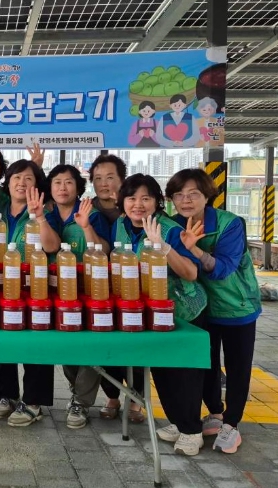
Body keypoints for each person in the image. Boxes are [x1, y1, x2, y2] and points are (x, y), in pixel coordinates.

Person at [167, 168, 261, 454]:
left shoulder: (229, 224)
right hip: (200, 308)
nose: (186, 200)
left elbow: (223, 269)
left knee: (237, 366)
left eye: (193, 194)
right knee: (205, 363)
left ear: (207, 196)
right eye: (179, 195)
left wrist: (194, 249)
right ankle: (215, 413)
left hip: (236, 307)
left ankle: (232, 423)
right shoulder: (173, 224)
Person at [114, 173, 208, 456]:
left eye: (146, 198)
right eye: (131, 198)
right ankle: (178, 422)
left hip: (183, 310)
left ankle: (192, 430)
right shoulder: (121, 225)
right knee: (161, 369)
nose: (138, 204)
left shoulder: (168, 229)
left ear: (157, 202)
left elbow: (191, 273)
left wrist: (163, 247)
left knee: (182, 373)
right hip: (151, 311)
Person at [0, 159, 60, 427]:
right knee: (3, 339)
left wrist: (39, 217)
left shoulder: (44, 211)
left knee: (36, 340)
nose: (21, 183)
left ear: (36, 185)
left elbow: (52, 247)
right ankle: (7, 394)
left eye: (28, 178)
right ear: (8, 183)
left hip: (35, 285)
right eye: (16, 178)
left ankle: (33, 401)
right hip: (2, 284)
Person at [45, 164, 110, 430]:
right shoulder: (47, 215)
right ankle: (76, 391)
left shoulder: (92, 214)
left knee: (90, 346)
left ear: (78, 187)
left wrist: (86, 227)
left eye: (69, 182)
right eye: (57, 182)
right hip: (58, 291)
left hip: (90, 290)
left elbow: (104, 250)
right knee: (67, 344)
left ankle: (81, 402)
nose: (63, 187)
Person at [86, 154, 144, 422]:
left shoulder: (133, 209)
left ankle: (136, 399)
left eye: (110, 177)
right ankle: (112, 395)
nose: (104, 183)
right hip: (101, 287)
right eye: (98, 178)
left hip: (134, 287)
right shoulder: (88, 209)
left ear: (122, 179)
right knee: (105, 341)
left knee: (134, 343)